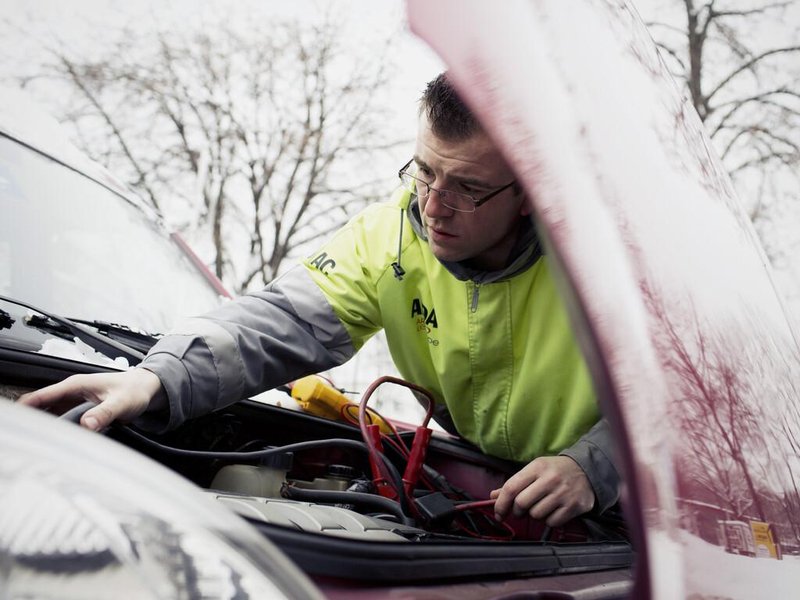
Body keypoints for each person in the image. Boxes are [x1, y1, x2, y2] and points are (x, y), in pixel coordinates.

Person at [19, 72, 620, 528]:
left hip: (614, 514)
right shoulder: (388, 237)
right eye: (425, 172)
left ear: (530, 193)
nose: (433, 206)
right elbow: (280, 321)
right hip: (476, 484)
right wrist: (156, 380)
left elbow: (691, 393)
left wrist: (593, 466)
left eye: (467, 188)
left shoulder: (606, 266)